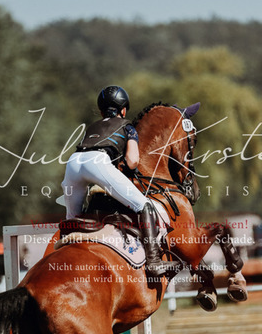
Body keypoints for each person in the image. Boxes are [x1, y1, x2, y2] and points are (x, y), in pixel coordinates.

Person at [61, 85, 179, 277]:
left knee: (72, 219)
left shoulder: (92, 127)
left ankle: (63, 260)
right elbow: (132, 161)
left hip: (73, 163)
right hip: (97, 163)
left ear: (101, 111)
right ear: (123, 110)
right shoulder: (128, 126)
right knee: (145, 207)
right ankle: (154, 261)